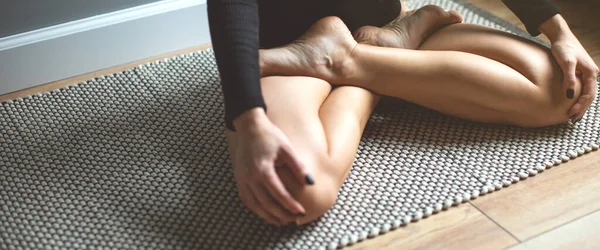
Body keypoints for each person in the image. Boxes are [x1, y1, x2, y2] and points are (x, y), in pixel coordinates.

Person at [207, 0, 599, 226]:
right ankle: (361, 69)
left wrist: (559, 31)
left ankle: (350, 58)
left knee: (561, 93)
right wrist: (250, 120)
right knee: (297, 194)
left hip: (385, 24)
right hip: (287, 55)